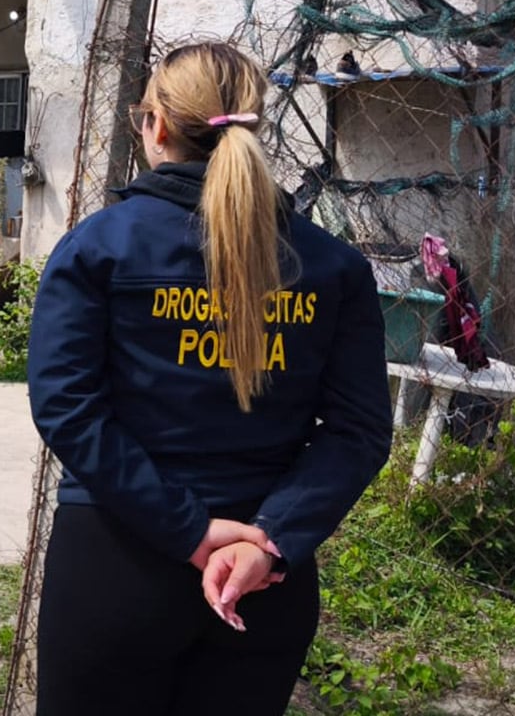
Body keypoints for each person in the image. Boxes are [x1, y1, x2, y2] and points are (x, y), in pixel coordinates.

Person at [26, 41, 391, 716]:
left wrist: (191, 532)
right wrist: (273, 540)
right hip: (260, 581)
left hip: (115, 562)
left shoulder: (100, 247)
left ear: (155, 126)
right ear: (255, 125)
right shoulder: (333, 267)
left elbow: (68, 408)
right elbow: (359, 433)